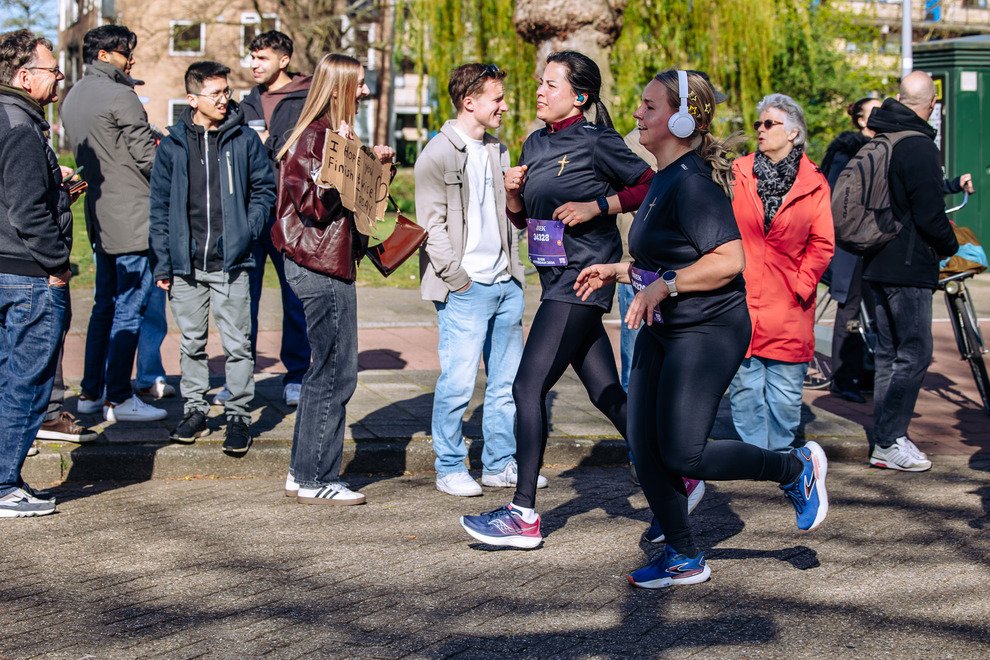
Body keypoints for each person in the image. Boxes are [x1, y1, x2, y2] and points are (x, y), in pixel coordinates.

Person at [572, 70, 828, 587]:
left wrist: (663, 286)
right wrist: (620, 271)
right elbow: (669, 255)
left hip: (709, 331)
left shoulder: (691, 183)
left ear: (684, 120)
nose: (638, 113)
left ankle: (795, 469)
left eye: (650, 106)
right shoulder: (663, 177)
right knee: (644, 445)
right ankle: (684, 556)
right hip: (666, 326)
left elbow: (729, 260)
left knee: (684, 452)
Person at [460, 51, 653, 548]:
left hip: (582, 278)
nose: (540, 91)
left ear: (579, 96)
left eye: (551, 84)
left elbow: (649, 185)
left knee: (527, 388)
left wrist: (598, 206)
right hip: (553, 279)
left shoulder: (597, 141)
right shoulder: (534, 142)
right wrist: (512, 195)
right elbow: (528, 221)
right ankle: (680, 477)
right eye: (540, 83)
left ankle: (523, 514)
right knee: (607, 394)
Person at [272, 53, 395, 505]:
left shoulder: (328, 135)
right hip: (320, 264)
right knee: (336, 373)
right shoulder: (317, 136)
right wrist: (338, 159)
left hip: (327, 261)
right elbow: (315, 206)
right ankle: (315, 477)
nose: (364, 91)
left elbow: (355, 206)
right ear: (340, 86)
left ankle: (302, 471)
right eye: (358, 83)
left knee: (323, 369)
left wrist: (372, 164)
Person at [148, 61, 276, 454]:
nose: (224, 99)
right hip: (186, 265)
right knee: (191, 343)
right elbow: (159, 207)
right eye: (215, 93)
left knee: (238, 344)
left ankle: (238, 415)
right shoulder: (172, 145)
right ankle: (195, 410)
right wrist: (163, 261)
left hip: (231, 263)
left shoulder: (244, 140)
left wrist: (246, 232)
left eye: (226, 92)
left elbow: (264, 190)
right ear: (192, 99)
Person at [415, 63, 530, 497]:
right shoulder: (437, 154)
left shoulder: (498, 150)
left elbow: (510, 218)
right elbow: (431, 227)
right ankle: (448, 466)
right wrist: (458, 280)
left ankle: (499, 464)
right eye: (497, 99)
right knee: (458, 384)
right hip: (465, 289)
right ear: (469, 102)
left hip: (505, 284)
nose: (505, 106)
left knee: (505, 386)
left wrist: (514, 193)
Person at [61, 24, 167, 423]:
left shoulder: (74, 96)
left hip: (100, 215)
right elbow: (147, 159)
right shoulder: (122, 95)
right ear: (105, 55)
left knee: (103, 305)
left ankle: (91, 392)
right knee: (130, 307)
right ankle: (119, 398)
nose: (132, 60)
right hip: (134, 216)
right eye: (126, 52)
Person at [861, 72, 960, 472]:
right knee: (915, 353)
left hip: (875, 259)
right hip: (908, 265)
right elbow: (930, 215)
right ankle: (889, 439)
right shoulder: (918, 146)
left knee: (889, 353)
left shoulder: (881, 139)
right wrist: (950, 247)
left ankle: (887, 438)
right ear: (931, 104)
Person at [729, 93, 835, 452]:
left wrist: (800, 285)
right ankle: (756, 456)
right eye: (758, 123)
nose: (760, 129)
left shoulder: (814, 182)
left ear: (793, 132)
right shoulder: (739, 172)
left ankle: (780, 456)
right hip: (742, 299)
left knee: (785, 393)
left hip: (789, 304)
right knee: (744, 387)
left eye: (769, 123)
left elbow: (822, 242)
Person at [0, 29, 73, 517]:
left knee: (7, 379)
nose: (59, 76)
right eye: (52, 69)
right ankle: (4, 485)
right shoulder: (21, 127)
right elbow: (27, 212)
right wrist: (57, 265)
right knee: (26, 383)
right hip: (28, 274)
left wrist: (56, 187)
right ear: (25, 77)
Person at [226, 30, 312, 408]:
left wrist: (270, 146)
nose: (254, 64)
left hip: (290, 213)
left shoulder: (306, 99)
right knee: (243, 299)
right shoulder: (246, 103)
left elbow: (311, 151)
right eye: (252, 57)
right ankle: (239, 378)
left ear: (283, 59)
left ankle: (296, 375)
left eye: (262, 58)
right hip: (251, 214)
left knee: (295, 298)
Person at [820, 97, 882, 403]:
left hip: (874, 241)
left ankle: (866, 373)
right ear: (861, 120)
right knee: (851, 309)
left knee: (874, 308)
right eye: (875, 111)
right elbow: (835, 198)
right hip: (851, 244)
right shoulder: (848, 152)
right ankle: (845, 379)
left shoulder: (884, 149)